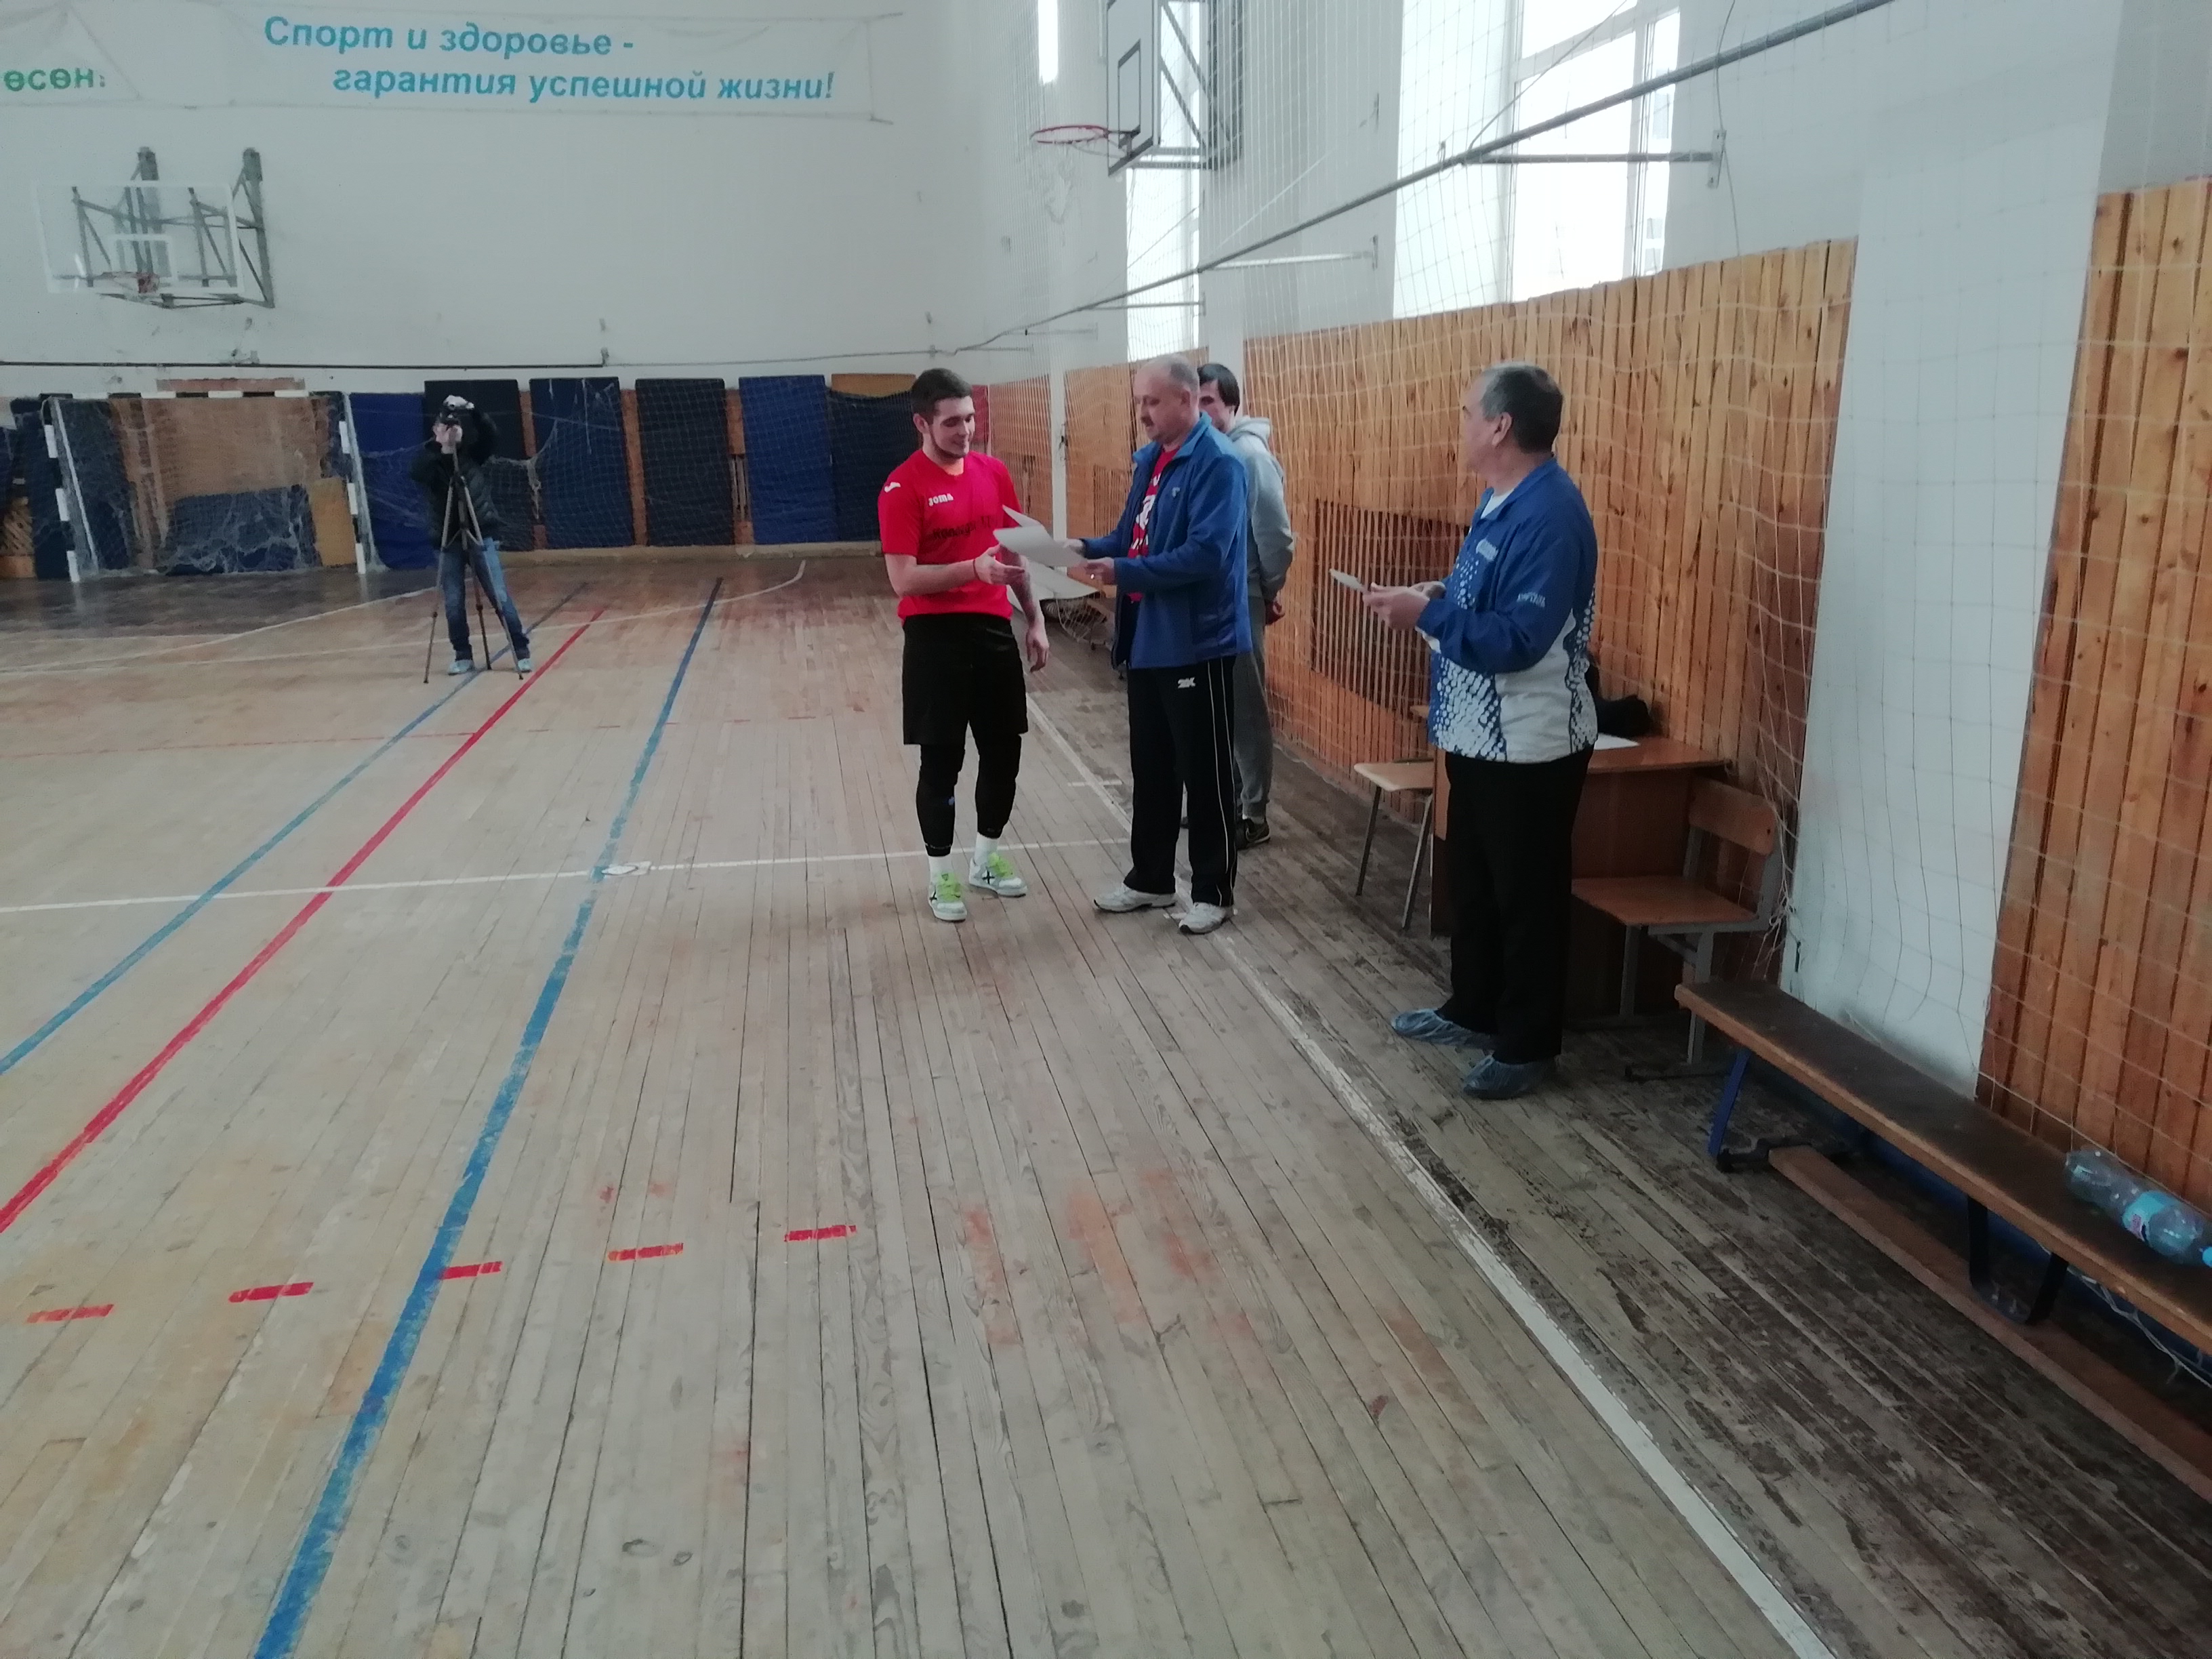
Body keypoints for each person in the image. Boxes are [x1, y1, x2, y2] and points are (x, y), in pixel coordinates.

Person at [1361, 362, 1597, 1100]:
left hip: (1530, 744)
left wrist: (1426, 615)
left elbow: (1521, 639)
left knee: (1526, 898)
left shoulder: (1551, 515)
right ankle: (1474, 1007)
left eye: (1468, 414)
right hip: (1474, 735)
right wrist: (1437, 594)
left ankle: (1526, 1044)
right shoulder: (1500, 499)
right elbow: (1483, 596)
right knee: (1476, 883)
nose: (1461, 426)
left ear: (1500, 426)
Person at [1063, 356, 1250, 937]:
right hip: (1146, 636)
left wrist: (1121, 570)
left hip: (1196, 641)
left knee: (1205, 771)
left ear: (1188, 401)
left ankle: (1213, 890)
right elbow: (1131, 537)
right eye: (1139, 402)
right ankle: (1151, 877)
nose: (1142, 413)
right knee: (1152, 765)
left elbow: (1206, 555)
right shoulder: (1151, 461)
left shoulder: (1219, 464)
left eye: (1152, 402)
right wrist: (1080, 548)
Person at [878, 367, 1051, 923]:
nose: (966, 430)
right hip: (935, 640)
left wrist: (1035, 618)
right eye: (952, 422)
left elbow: (1013, 552)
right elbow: (903, 579)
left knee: (1004, 752)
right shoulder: (902, 488)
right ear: (922, 423)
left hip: (993, 631)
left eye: (971, 418)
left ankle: (985, 859)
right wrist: (972, 569)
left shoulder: (993, 472)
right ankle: (940, 875)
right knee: (942, 761)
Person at [1197, 363, 1294, 848]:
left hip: (1242, 596)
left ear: (1231, 405)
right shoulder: (1209, 454)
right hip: (1212, 598)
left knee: (1245, 707)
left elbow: (1276, 538)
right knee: (1218, 706)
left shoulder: (1251, 457)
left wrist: (1266, 591)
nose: (1201, 412)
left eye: (1209, 402)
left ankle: (1254, 813)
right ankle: (1227, 800)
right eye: (1194, 402)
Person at [411, 395, 531, 674]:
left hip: (480, 532)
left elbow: (491, 434)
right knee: (453, 601)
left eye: (456, 427)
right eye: (446, 426)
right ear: (436, 431)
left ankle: (521, 650)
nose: (453, 430)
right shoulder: (429, 460)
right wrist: (442, 448)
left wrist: (473, 410)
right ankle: (462, 655)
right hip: (448, 539)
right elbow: (417, 473)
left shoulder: (473, 454)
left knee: (499, 595)